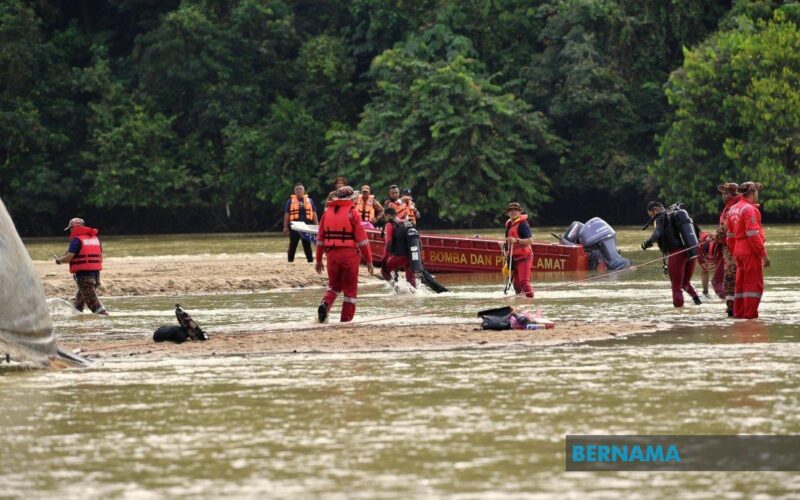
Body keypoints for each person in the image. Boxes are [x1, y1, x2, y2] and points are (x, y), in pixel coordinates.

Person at [315, 186, 374, 322]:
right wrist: (369, 261)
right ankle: (345, 321)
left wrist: (318, 260)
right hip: (349, 256)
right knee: (350, 291)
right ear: (351, 198)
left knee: (334, 286)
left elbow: (320, 240)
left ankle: (325, 304)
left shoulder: (326, 213)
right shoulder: (353, 213)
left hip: (331, 256)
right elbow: (363, 240)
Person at [641, 201, 702, 307]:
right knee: (685, 282)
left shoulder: (660, 216)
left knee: (676, 287)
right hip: (690, 251)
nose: (652, 218)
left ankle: (677, 315)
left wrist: (647, 243)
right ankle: (698, 302)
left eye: (651, 215)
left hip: (676, 253)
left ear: (655, 210)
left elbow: (657, 233)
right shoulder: (674, 215)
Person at [728, 182, 768, 319]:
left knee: (740, 286)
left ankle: (739, 315)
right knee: (753, 285)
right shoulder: (749, 209)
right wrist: (764, 255)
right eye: (757, 191)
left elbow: (730, 237)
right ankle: (750, 317)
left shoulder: (733, 209)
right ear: (753, 192)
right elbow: (753, 234)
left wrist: (734, 252)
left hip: (738, 251)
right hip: (750, 251)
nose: (758, 194)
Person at [54, 218, 108, 315]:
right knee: (79, 302)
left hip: (84, 276)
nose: (70, 231)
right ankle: (77, 316)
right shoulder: (95, 239)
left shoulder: (76, 240)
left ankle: (107, 320)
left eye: (70, 228)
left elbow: (69, 257)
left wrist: (59, 260)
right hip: (96, 275)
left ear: (74, 228)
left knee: (94, 305)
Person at [715, 182, 742, 316]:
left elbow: (724, 230)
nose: (723, 196)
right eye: (723, 193)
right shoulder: (731, 207)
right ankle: (733, 306)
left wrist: (715, 236)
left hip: (733, 248)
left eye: (727, 193)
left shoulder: (733, 208)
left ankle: (732, 308)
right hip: (729, 247)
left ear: (734, 194)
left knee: (730, 277)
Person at [379, 207, 417, 290]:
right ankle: (414, 293)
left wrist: (384, 257)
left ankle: (397, 289)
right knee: (411, 281)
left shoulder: (389, 224)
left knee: (384, 271)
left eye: (385, 216)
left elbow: (389, 242)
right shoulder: (404, 222)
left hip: (399, 255)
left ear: (387, 215)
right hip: (411, 255)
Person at [503, 202, 534, 298]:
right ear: (508, 213)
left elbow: (530, 241)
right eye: (511, 210)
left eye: (515, 210)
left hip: (524, 257)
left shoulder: (523, 225)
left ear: (520, 212)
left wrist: (516, 240)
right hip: (514, 257)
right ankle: (520, 305)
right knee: (516, 285)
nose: (513, 212)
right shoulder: (509, 225)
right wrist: (504, 248)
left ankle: (531, 303)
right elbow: (509, 242)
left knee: (524, 283)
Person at [283, 183, 318, 262]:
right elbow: (287, 214)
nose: (299, 190)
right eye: (297, 189)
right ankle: (290, 261)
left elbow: (314, 213)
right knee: (293, 244)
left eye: (300, 189)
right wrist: (285, 227)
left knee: (307, 244)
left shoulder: (310, 201)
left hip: (306, 226)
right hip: (294, 225)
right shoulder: (290, 201)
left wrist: (317, 225)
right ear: (294, 191)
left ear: (304, 191)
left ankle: (310, 261)